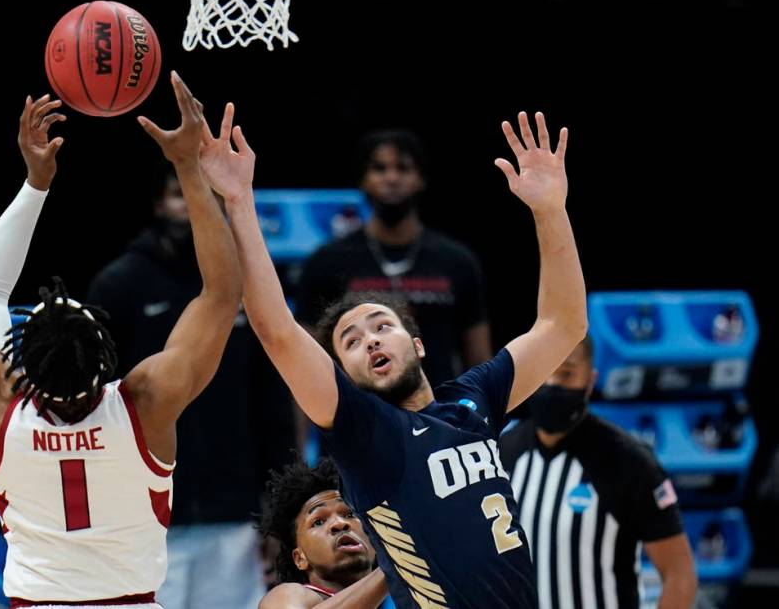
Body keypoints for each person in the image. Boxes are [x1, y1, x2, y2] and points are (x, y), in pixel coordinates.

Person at [201, 110, 586, 608]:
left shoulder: (474, 399)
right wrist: (239, 202)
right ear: (344, 374)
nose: (372, 341)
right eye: (352, 341)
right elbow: (277, 331)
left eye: (382, 326)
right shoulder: (365, 433)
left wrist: (551, 209)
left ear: (418, 344)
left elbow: (564, 325)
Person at [0, 72, 242, 607]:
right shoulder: (145, 402)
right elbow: (222, 293)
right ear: (105, 353)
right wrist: (187, 164)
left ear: (20, 364)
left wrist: (34, 182)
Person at [87, 161, 295, 609]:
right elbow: (95, 407)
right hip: (144, 519)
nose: (192, 206)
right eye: (181, 194)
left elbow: (274, 404)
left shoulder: (250, 283)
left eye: (206, 197)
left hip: (233, 514)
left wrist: (281, 510)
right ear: (160, 203)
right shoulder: (119, 285)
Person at [500, 336, 697, 609]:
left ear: (590, 382)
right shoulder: (501, 453)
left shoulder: (628, 461)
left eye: (567, 374)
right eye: (544, 372)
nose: (553, 383)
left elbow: (680, 574)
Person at [295, 129, 491, 385]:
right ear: (363, 180)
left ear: (420, 178)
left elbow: (478, 358)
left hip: (442, 412)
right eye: (379, 168)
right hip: (362, 415)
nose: (391, 177)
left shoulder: (457, 261)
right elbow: (306, 362)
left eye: (403, 168)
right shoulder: (327, 261)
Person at [258, 458, 389, 609]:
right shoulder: (288, 594)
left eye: (350, 514)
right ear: (300, 558)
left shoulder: (404, 596)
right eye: (318, 521)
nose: (340, 524)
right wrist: (393, 569)